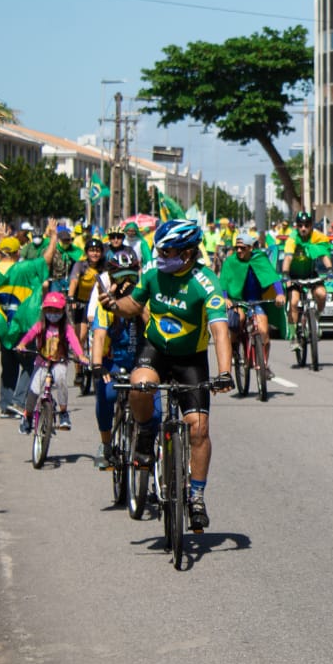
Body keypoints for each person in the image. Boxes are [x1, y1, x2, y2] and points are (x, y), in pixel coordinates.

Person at [100, 219, 234, 532]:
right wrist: (114, 305)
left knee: (199, 428)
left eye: (168, 250)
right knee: (140, 385)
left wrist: (225, 372)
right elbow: (133, 306)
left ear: (188, 253)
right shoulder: (152, 272)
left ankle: (197, 496)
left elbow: (220, 329)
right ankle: (146, 432)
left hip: (191, 358)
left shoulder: (207, 282)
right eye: (159, 249)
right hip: (156, 348)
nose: (161, 255)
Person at [89, 247, 159, 469]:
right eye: (120, 278)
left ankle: (147, 449)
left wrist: (136, 305)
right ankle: (106, 443)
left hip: (143, 361)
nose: (126, 283)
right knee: (107, 394)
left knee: (156, 411)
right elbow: (99, 337)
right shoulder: (106, 304)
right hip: (115, 362)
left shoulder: (145, 298)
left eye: (131, 277)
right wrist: (97, 366)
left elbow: (152, 326)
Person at [0, 223, 59, 418]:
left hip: (2, 327)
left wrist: (0, 240)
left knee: (8, 365)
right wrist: (53, 238)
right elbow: (46, 260)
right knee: (28, 365)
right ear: (18, 252)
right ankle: (18, 403)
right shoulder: (24, 268)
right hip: (23, 326)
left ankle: (6, 404)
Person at [15, 292, 89, 433]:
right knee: (34, 389)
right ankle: (28, 416)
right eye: (49, 310)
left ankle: (63, 413)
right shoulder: (40, 325)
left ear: (62, 311)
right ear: (44, 311)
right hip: (42, 362)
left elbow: (74, 341)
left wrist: (80, 355)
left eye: (56, 311)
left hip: (59, 362)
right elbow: (30, 334)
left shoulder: (66, 328)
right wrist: (22, 344)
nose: (53, 314)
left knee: (61, 380)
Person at [220, 231, 288, 372]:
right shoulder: (231, 261)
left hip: (255, 300)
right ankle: (234, 350)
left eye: (242, 248)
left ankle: (264, 364)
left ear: (251, 248)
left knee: (264, 332)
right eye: (237, 247)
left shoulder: (259, 258)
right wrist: (225, 298)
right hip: (237, 300)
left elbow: (273, 277)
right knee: (239, 319)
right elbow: (224, 282)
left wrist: (280, 294)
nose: (239, 250)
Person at [279, 210, 333, 354]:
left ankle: (316, 318)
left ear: (311, 226)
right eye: (300, 225)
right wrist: (285, 273)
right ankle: (293, 336)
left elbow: (323, 254)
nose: (303, 228)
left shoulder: (317, 237)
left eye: (306, 225)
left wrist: (329, 269)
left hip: (310, 274)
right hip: (294, 275)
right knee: (293, 302)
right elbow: (288, 258)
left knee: (321, 294)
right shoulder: (292, 239)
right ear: (297, 226)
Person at [68, 238, 106, 384]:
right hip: (81, 304)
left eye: (97, 251)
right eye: (91, 250)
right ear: (86, 252)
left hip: (98, 304)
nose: (94, 254)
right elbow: (74, 281)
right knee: (81, 336)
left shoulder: (105, 267)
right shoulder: (80, 265)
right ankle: (78, 371)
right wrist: (71, 297)